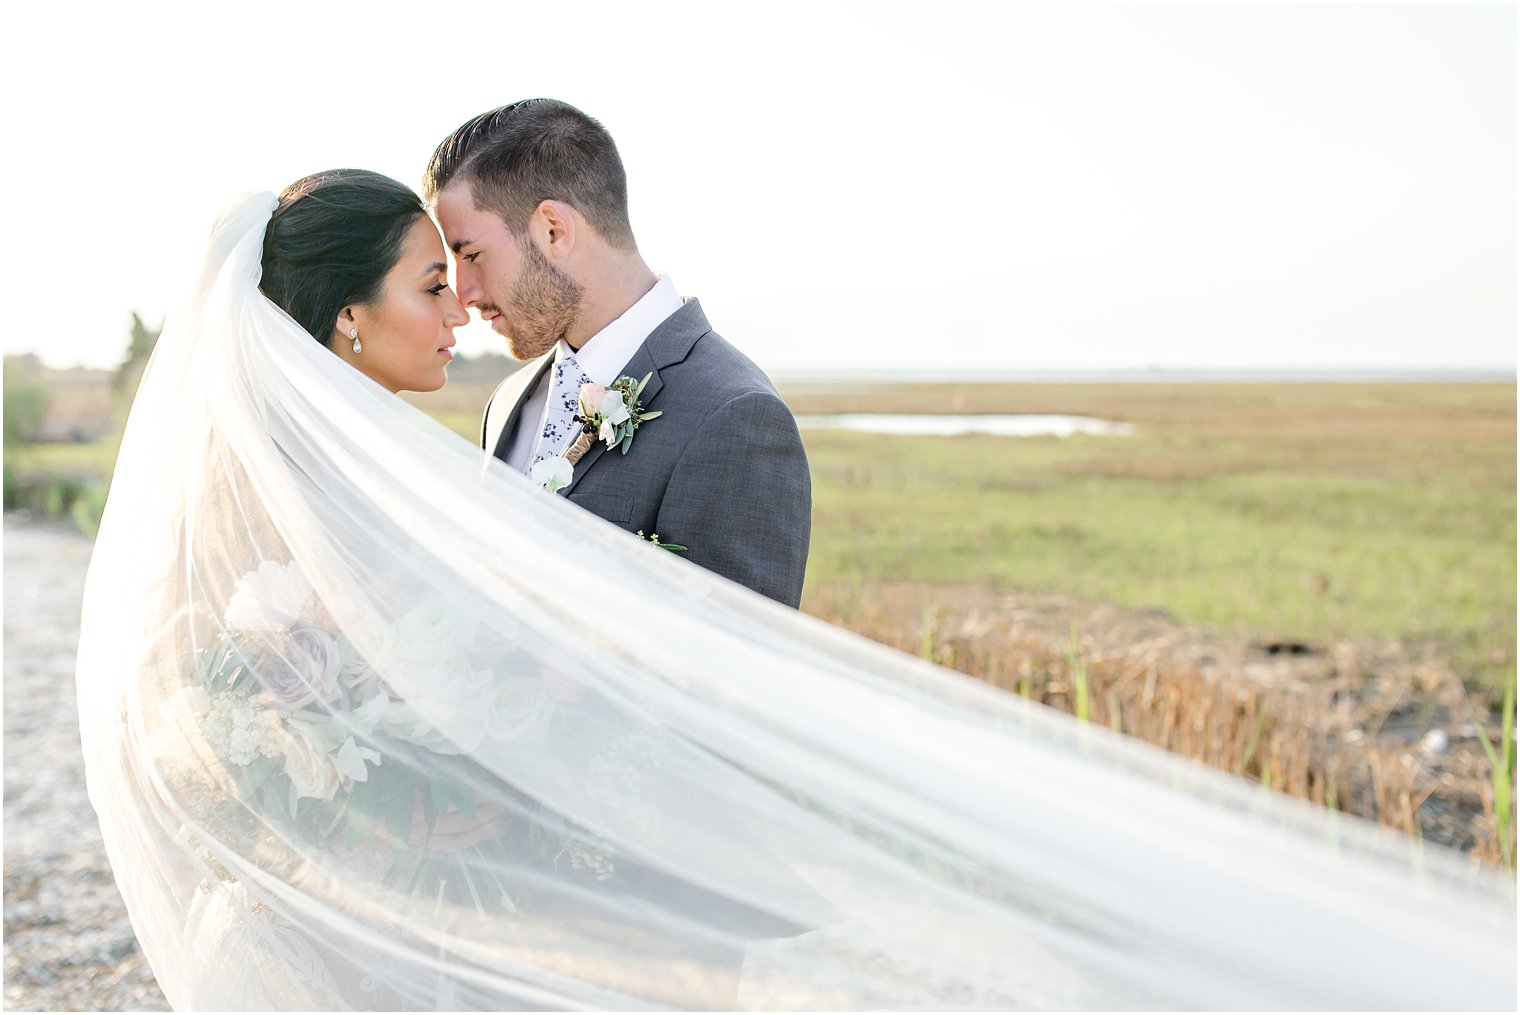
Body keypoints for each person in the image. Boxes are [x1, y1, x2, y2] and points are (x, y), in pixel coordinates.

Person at [76, 172, 1515, 1011]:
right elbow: (213, 693)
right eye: (425, 282)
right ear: (342, 319)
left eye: (461, 272)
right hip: (352, 921)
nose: (458, 302)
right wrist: (364, 802)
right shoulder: (321, 483)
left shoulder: (396, 453)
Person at [423, 99, 812, 608]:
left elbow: (739, 672)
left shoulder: (735, 416)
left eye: (472, 256)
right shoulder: (508, 402)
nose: (465, 293)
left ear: (553, 230)